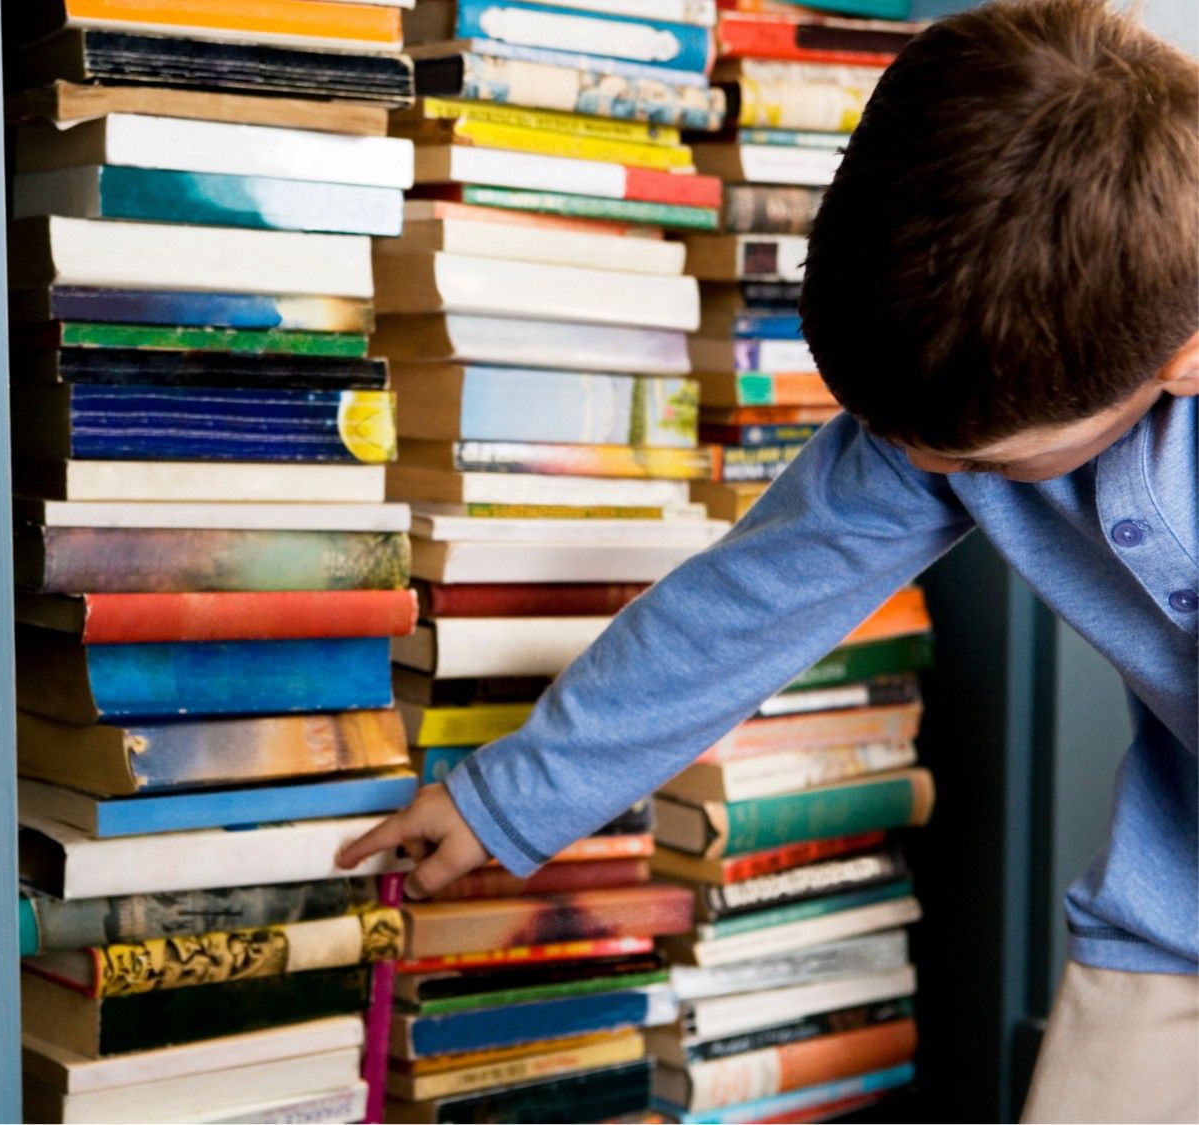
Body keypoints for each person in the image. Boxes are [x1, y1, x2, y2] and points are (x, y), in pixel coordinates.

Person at [339, 0, 1199, 1119]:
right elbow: (744, 606)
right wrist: (510, 794)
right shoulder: (928, 417)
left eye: (974, 460)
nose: (912, 465)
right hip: (1169, 919)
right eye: (892, 436)